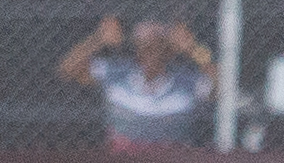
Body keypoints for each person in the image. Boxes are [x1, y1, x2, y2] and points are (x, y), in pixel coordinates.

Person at [58, 15, 215, 150]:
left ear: (169, 52)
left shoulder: (186, 81)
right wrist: (99, 39)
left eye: (157, 48)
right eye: (144, 48)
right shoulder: (116, 73)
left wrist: (193, 49)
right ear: (136, 49)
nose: (150, 55)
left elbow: (221, 88)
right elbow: (68, 69)